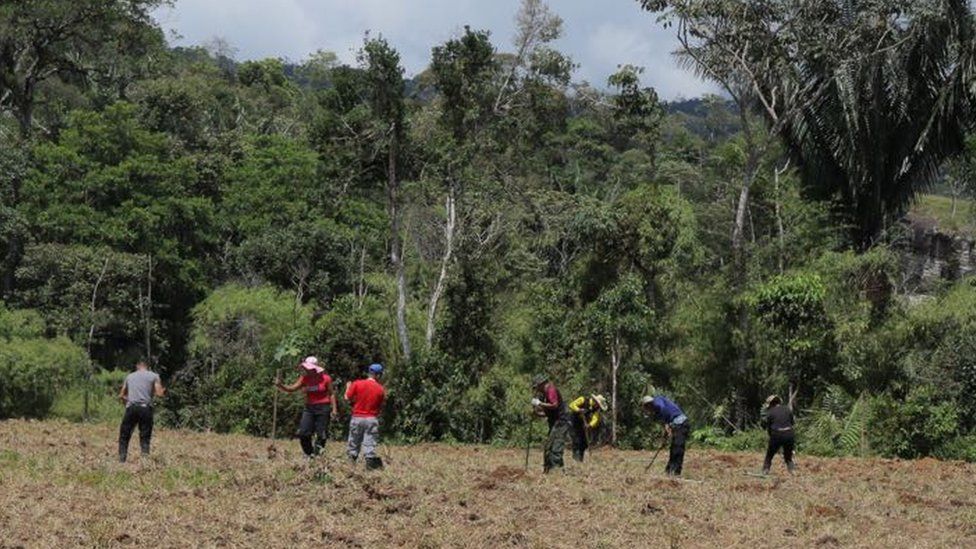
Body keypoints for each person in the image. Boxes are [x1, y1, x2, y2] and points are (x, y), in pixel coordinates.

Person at [276, 356, 337, 459]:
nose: (306, 370)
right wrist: (280, 385)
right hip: (309, 408)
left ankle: (318, 455)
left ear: (314, 368)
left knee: (321, 434)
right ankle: (309, 453)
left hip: (323, 408)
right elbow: (292, 388)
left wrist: (334, 409)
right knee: (303, 433)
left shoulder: (326, 378)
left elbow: (331, 394)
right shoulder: (304, 378)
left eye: (308, 368)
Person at [117, 360, 165, 463]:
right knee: (145, 436)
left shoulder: (129, 376)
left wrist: (125, 402)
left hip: (131, 408)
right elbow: (159, 394)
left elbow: (121, 395)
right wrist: (163, 390)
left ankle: (121, 460)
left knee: (124, 435)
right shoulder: (154, 376)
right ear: (147, 367)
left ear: (137, 366)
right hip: (145, 409)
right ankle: (145, 460)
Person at [345, 363, 386, 469]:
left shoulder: (357, 383)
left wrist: (348, 387)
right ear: (379, 375)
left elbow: (347, 398)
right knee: (369, 442)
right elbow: (380, 406)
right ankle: (370, 463)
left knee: (354, 440)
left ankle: (351, 462)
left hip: (357, 417)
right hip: (371, 418)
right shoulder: (380, 389)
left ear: (369, 372)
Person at [641, 394, 690, 476]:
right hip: (675, 426)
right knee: (673, 448)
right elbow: (665, 425)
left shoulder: (658, 400)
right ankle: (669, 470)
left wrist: (668, 425)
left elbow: (662, 408)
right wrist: (664, 438)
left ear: (649, 404)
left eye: (648, 408)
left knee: (678, 447)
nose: (649, 410)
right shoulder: (657, 413)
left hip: (681, 423)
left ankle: (676, 471)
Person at [531, 374, 571, 473]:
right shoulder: (545, 394)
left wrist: (539, 403)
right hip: (554, 422)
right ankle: (548, 469)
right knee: (548, 446)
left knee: (556, 446)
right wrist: (536, 414)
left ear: (541, 384)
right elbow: (548, 413)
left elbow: (554, 405)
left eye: (537, 387)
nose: (537, 390)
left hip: (561, 422)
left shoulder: (551, 390)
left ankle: (557, 470)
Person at [762, 394, 797, 475]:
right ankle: (792, 470)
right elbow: (792, 423)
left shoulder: (770, 412)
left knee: (769, 454)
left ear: (771, 404)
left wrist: (772, 439)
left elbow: (769, 429)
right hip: (789, 434)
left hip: (776, 434)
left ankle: (765, 470)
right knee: (788, 455)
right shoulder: (787, 409)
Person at [567, 394, 607, 462]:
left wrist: (589, 425)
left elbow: (595, 418)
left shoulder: (596, 409)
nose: (598, 406)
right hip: (573, 422)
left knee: (584, 442)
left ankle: (580, 458)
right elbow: (572, 405)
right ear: (595, 401)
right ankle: (576, 459)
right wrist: (579, 410)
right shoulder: (583, 400)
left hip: (583, 425)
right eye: (598, 405)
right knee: (577, 441)